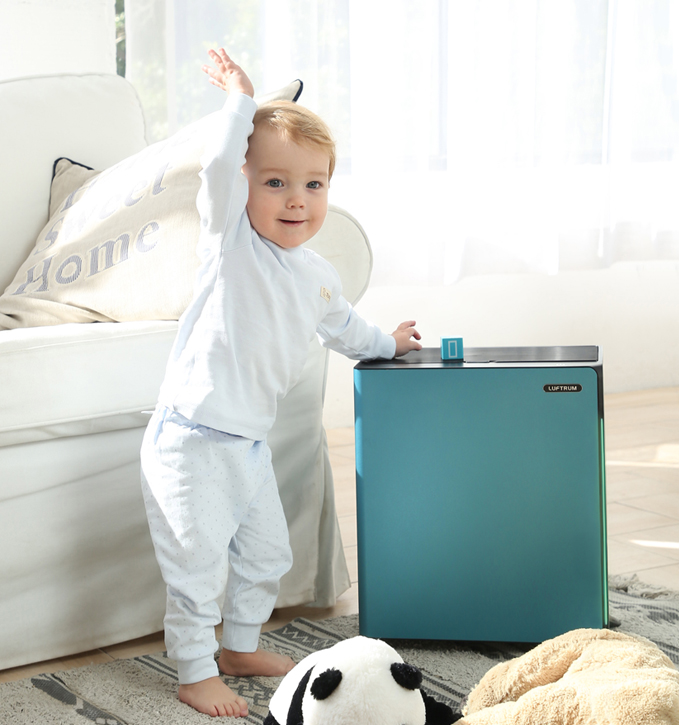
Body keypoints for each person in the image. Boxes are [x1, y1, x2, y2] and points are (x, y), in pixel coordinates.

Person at [140, 47, 422, 718]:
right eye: (274, 182)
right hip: (191, 439)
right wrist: (240, 100)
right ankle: (194, 670)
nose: (297, 199)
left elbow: (347, 328)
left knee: (267, 552)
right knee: (197, 564)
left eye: (314, 185)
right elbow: (217, 165)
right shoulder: (230, 244)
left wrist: (389, 343)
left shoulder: (316, 275)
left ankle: (240, 646)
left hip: (246, 443)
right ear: (243, 185)